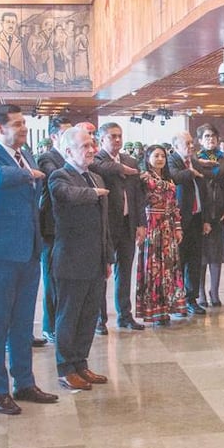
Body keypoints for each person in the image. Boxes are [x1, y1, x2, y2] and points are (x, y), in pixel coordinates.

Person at [0, 105, 58, 415]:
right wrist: (26, 173)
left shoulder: (27, 154)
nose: (23, 129)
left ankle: (25, 382)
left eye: (24, 124)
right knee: (0, 322)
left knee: (23, 322)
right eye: (17, 125)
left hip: (29, 250)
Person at [49, 127, 112, 389]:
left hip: (96, 260)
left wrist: (107, 258)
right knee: (69, 316)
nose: (92, 150)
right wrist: (93, 194)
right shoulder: (59, 176)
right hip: (71, 261)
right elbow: (66, 195)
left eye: (92, 145)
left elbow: (104, 223)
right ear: (68, 151)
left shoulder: (96, 177)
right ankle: (66, 368)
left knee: (88, 317)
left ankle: (81, 364)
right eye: (85, 146)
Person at [91, 123, 145, 332]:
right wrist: (120, 168)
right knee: (102, 273)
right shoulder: (97, 161)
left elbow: (138, 195)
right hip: (106, 226)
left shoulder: (130, 160)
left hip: (127, 223)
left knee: (125, 272)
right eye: (112, 136)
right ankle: (99, 319)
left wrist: (141, 223)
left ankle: (125, 314)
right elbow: (99, 167)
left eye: (119, 136)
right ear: (101, 139)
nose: (117, 140)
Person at [135, 144, 188, 323]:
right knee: (154, 267)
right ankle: (155, 310)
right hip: (152, 225)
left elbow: (174, 206)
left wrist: (178, 227)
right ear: (148, 157)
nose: (160, 159)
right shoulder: (144, 177)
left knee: (169, 267)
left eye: (162, 156)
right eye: (156, 155)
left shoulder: (168, 178)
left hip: (168, 226)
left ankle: (167, 307)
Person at [37, 116, 73, 344]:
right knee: (51, 278)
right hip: (51, 227)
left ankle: (63, 323)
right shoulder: (47, 158)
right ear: (54, 137)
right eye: (66, 133)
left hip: (70, 228)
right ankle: (49, 326)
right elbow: (57, 179)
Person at [169, 131, 210, 314]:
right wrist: (191, 172)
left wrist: (206, 219)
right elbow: (175, 177)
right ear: (176, 146)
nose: (191, 146)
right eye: (186, 143)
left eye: (191, 142)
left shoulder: (194, 161)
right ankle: (177, 300)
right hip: (180, 220)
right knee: (179, 261)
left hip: (196, 218)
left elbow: (204, 191)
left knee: (195, 261)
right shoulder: (172, 161)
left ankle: (191, 298)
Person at [197, 124, 224, 307]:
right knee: (202, 256)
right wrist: (203, 218)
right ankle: (201, 292)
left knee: (217, 255)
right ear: (200, 140)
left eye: (213, 136)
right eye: (207, 136)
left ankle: (215, 291)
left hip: (220, 212)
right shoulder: (196, 159)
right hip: (202, 213)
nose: (210, 139)